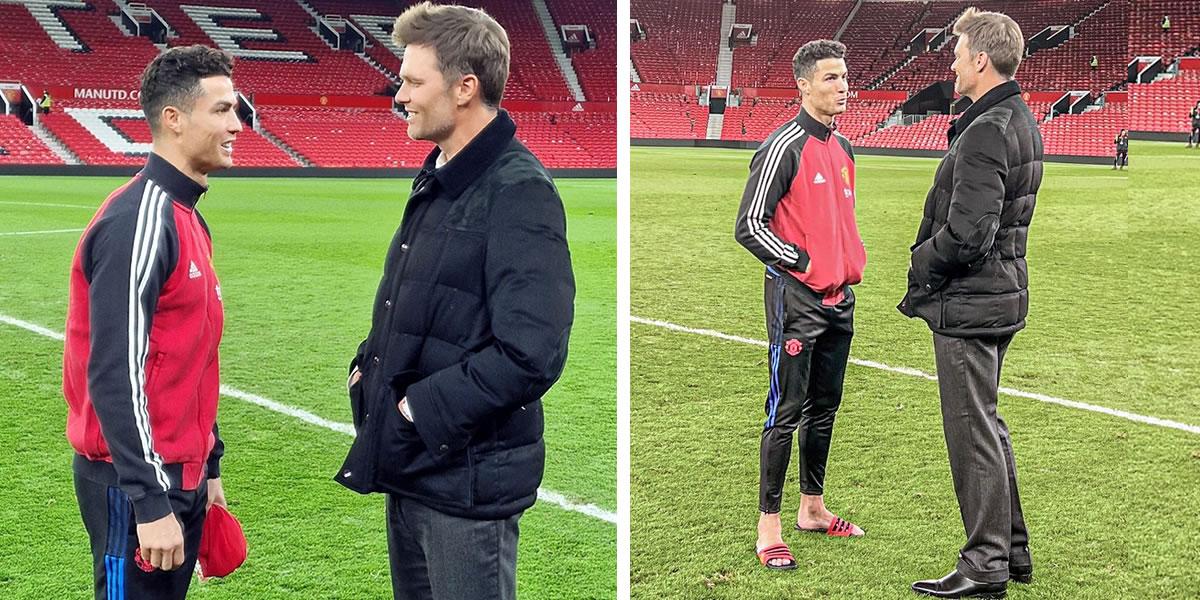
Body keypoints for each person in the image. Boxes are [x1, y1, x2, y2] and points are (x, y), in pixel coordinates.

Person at [333, 3, 574, 599]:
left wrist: (419, 410)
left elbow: (532, 353)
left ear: (465, 87)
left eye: (414, 81)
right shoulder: (440, 176)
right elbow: (422, 302)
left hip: (467, 484)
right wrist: (369, 369)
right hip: (414, 469)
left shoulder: (519, 192)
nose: (400, 95)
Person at [62, 44, 240, 599]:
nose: (237, 125)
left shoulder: (189, 217)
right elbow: (116, 372)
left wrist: (208, 466)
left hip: (179, 474)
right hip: (133, 483)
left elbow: (191, 361)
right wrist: (149, 499)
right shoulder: (138, 220)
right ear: (173, 119)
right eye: (222, 110)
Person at [898, 8, 1041, 598]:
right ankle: (1011, 551)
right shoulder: (1017, 117)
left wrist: (920, 264)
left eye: (957, 52)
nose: (951, 62)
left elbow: (969, 232)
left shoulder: (986, 128)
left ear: (981, 59)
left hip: (971, 302)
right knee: (988, 423)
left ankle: (985, 565)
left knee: (971, 430)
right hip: (1000, 296)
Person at [734, 38, 867, 572]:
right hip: (797, 299)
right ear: (804, 85)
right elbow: (748, 225)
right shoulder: (783, 146)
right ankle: (769, 525)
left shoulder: (844, 149)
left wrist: (845, 261)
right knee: (785, 410)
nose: (842, 86)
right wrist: (804, 262)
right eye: (831, 78)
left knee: (825, 407)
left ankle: (812, 507)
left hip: (841, 300)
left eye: (845, 76)